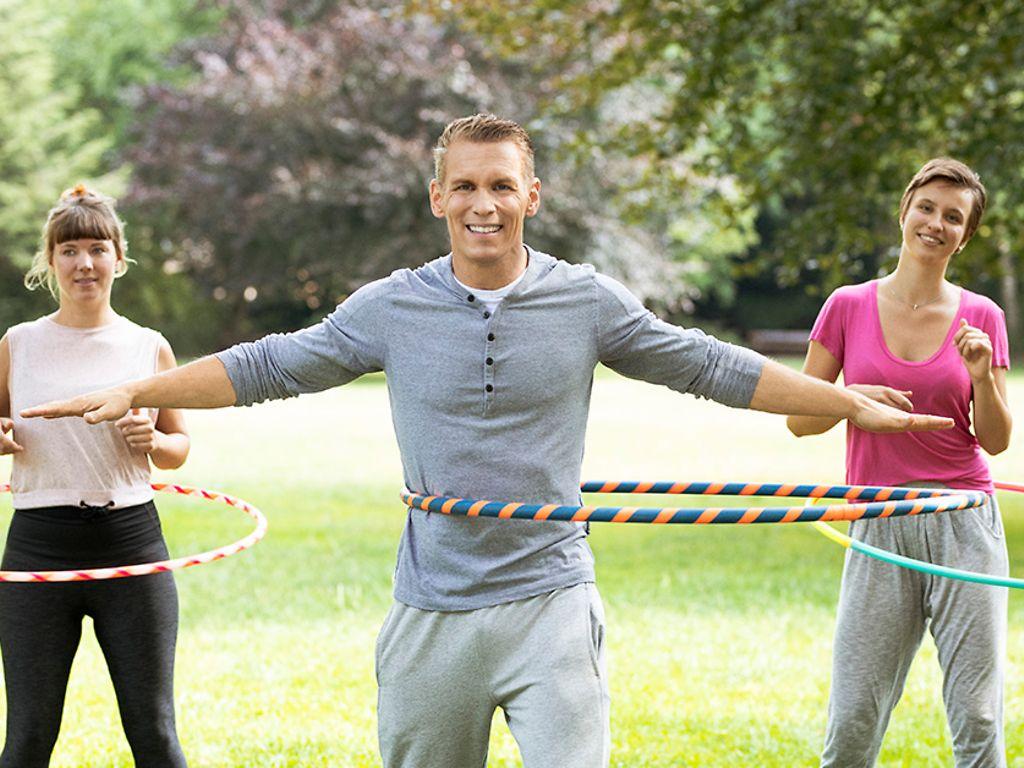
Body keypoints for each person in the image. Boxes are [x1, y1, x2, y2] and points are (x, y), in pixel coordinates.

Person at [23, 116, 954, 768]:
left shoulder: (584, 300)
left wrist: (840, 401)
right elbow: (270, 365)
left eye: (501, 186)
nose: (483, 203)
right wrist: (141, 387)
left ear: (531, 196)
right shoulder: (393, 306)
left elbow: (705, 364)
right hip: (434, 604)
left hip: (551, 595)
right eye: (464, 185)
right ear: (437, 197)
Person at [787, 158, 1012, 768]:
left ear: (965, 236)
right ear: (905, 210)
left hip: (963, 517)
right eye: (928, 208)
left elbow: (995, 441)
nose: (936, 224)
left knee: (978, 711)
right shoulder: (847, 306)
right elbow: (800, 419)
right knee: (856, 709)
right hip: (880, 518)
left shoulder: (982, 316)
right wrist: (851, 403)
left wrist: (980, 378)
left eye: (953, 218)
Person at [0, 186, 190, 767]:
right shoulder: (19, 344)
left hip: (130, 541)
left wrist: (153, 440)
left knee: (154, 733)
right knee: (28, 736)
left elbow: (178, 448)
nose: (85, 263)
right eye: (71, 250)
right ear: (51, 261)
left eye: (98, 248)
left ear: (119, 259)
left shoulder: (147, 346)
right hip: (37, 544)